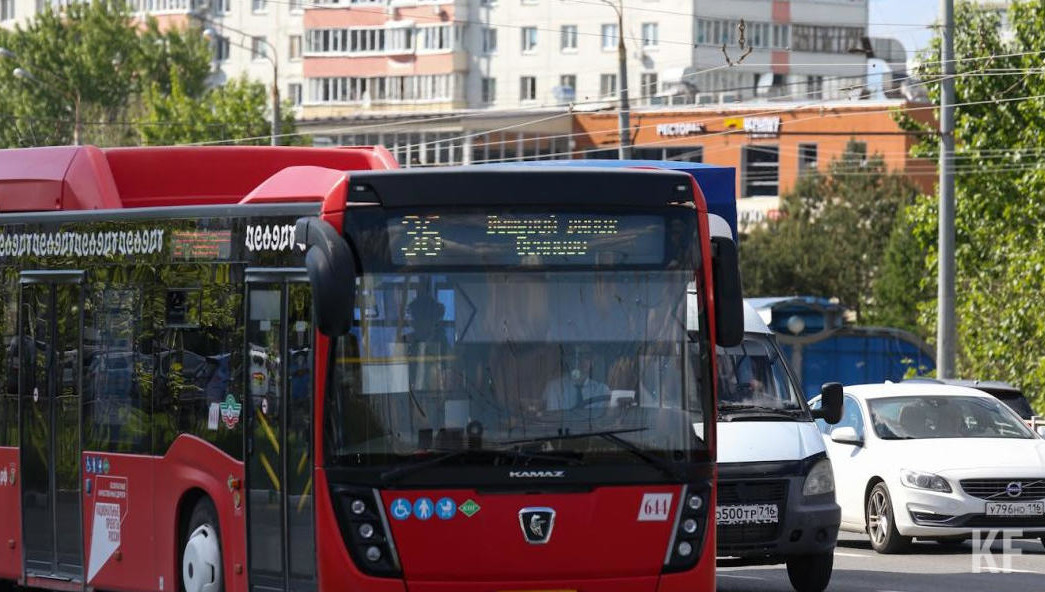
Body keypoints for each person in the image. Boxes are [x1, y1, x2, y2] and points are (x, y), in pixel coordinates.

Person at [543, 347, 611, 411]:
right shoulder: (554, 387)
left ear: (592, 362)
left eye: (587, 357)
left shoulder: (602, 390)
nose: (583, 360)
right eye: (578, 357)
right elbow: (552, 418)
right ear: (569, 360)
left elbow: (604, 420)